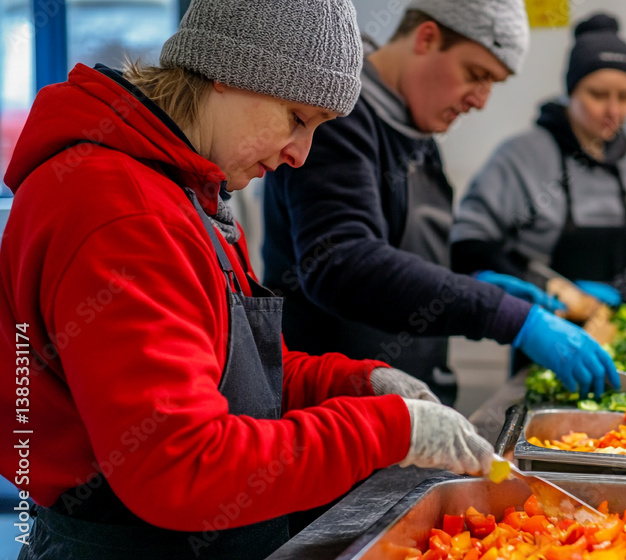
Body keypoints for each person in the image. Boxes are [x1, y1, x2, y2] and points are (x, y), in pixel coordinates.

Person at [0, 1, 498, 558]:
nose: (301, 155)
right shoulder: (123, 213)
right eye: (297, 118)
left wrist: (363, 384)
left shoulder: (190, 193)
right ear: (227, 71)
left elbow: (245, 378)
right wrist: (386, 431)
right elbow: (181, 466)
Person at [262, 0, 620, 406]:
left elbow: (409, 259)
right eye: (477, 74)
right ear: (427, 38)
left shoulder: (417, 131)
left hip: (410, 402)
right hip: (337, 412)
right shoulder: (338, 117)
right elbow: (343, 263)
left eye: (493, 83)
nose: (481, 100)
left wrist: (477, 284)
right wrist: (505, 315)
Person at [450, 13, 626, 307]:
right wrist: (532, 291)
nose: (613, 111)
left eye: (625, 96)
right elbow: (468, 243)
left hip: (614, 325)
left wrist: (619, 296)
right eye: (598, 94)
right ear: (571, 92)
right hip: (534, 320)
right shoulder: (520, 158)